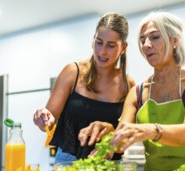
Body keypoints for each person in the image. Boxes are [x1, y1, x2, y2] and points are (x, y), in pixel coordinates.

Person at [79, 11, 185, 171]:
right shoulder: (137, 92)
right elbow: (121, 140)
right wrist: (107, 142)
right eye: (142, 39)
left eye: (154, 37)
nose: (146, 45)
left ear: (174, 40)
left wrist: (151, 130)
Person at [33, 12, 135, 163]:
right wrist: (43, 119)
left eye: (111, 46)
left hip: (108, 161)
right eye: (99, 42)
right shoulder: (72, 72)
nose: (102, 51)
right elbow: (48, 122)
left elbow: (126, 132)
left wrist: (110, 147)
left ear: (123, 48)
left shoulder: (128, 85)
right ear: (93, 40)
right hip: (68, 160)